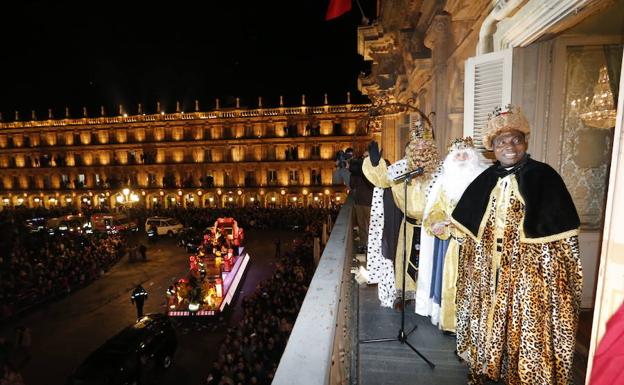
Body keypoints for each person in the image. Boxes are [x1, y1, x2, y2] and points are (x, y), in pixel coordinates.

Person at [450, 106, 582, 385]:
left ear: (524, 142)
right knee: (489, 317)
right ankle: (488, 365)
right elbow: (469, 222)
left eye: (515, 140)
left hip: (528, 273)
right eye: (501, 142)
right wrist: (452, 229)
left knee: (525, 325)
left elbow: (561, 234)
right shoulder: (485, 179)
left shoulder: (544, 176)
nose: (509, 146)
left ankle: (524, 375)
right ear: (492, 148)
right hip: (490, 271)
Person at [362, 117, 439, 308]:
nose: (421, 149)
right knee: (406, 261)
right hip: (409, 226)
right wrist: (374, 163)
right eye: (416, 145)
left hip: (434, 228)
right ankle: (405, 294)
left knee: (430, 265)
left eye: (424, 146)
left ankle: (430, 300)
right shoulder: (402, 168)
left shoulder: (441, 170)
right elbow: (382, 180)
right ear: (410, 148)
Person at [420, 137, 489, 332]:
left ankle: (475, 326)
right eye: (457, 154)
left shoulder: (486, 180)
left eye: (465, 153)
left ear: (473, 156)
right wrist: (436, 223)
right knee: (450, 282)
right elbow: (436, 209)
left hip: (478, 243)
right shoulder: (444, 183)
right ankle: (452, 323)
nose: (461, 158)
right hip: (451, 242)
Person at [348, 150, 374, 253]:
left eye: (367, 156)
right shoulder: (358, 170)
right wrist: (354, 173)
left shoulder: (373, 169)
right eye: (363, 156)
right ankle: (364, 244)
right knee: (361, 225)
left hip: (370, 202)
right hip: (359, 202)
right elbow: (352, 185)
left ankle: (373, 245)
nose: (364, 158)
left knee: (372, 225)